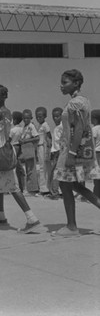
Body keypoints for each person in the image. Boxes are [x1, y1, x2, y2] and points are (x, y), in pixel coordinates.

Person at [0, 85, 42, 234]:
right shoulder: (8, 112)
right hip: (3, 149)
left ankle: (31, 218)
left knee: (12, 186)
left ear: (3, 97)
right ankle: (0, 215)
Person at [53, 70, 100, 237]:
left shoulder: (76, 103)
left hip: (73, 150)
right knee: (72, 185)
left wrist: (71, 153)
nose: (61, 85)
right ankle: (71, 225)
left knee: (66, 185)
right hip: (74, 149)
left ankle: (72, 226)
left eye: (65, 82)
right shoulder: (81, 101)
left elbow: (78, 129)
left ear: (76, 84)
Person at [20, 109, 40, 196]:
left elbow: (37, 137)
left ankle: (33, 189)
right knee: (28, 169)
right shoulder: (24, 127)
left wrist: (25, 140)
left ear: (31, 118)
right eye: (24, 118)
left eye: (27, 118)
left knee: (31, 169)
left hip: (30, 148)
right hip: (26, 149)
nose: (25, 120)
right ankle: (30, 188)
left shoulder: (31, 126)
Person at [47, 107, 63, 200]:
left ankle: (54, 193)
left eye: (57, 116)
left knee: (55, 173)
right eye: (54, 116)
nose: (55, 118)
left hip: (58, 153)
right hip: (59, 152)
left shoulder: (59, 128)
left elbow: (59, 142)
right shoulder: (61, 127)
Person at [35, 107, 52, 195]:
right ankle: (46, 187)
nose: (38, 118)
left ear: (45, 116)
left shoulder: (45, 125)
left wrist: (48, 149)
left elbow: (49, 136)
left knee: (43, 168)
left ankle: (44, 189)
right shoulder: (39, 125)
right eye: (37, 116)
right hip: (39, 147)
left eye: (40, 116)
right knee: (43, 167)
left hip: (43, 147)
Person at [10, 111, 25, 192]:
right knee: (18, 166)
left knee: (13, 166)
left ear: (15, 120)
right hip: (19, 147)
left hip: (13, 147)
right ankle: (21, 186)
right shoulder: (21, 129)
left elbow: (9, 139)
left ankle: (15, 187)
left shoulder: (12, 130)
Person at [92, 109, 100, 198]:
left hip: (97, 153)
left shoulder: (94, 129)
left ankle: (96, 194)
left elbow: (93, 143)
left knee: (97, 175)